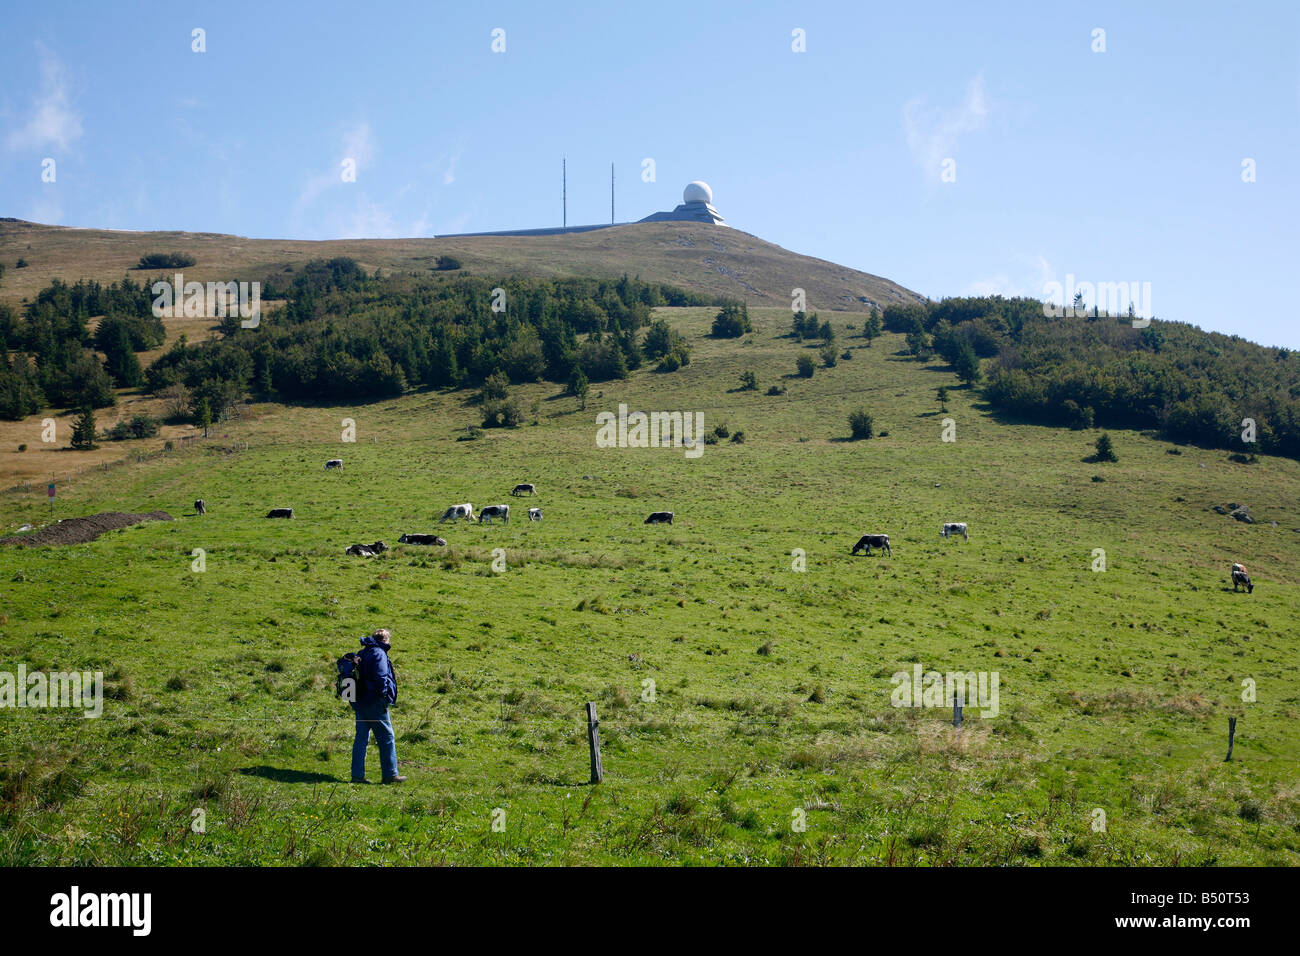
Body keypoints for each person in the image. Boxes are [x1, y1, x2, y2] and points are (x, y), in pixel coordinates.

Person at [350, 628, 406, 784]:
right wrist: (382, 696)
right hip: (374, 702)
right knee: (387, 737)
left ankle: (357, 775)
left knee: (361, 738)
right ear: (385, 640)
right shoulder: (379, 653)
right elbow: (381, 676)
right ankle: (390, 774)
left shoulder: (362, 653)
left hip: (359, 701)